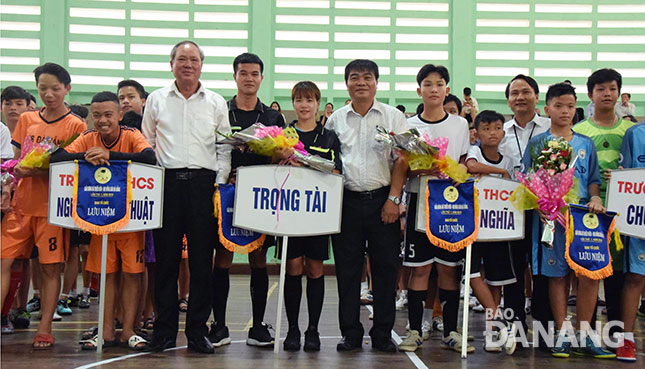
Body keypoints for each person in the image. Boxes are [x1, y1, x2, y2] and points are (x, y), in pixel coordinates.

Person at [142, 40, 232, 354]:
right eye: (182, 59)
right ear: (172, 64)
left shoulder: (216, 102)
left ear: (201, 65)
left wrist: (217, 186)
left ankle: (197, 332)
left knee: (200, 263)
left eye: (194, 59)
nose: (188, 65)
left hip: (203, 186)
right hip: (167, 184)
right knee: (165, 262)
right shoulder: (156, 100)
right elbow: (148, 143)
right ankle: (164, 332)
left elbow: (224, 147)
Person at [51, 91, 156, 350]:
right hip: (100, 221)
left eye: (108, 115)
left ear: (120, 115)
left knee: (132, 275)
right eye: (96, 115)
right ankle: (106, 330)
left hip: (132, 222)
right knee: (107, 276)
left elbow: (149, 158)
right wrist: (85, 157)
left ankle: (128, 330)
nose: (102, 120)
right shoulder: (88, 137)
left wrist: (112, 157)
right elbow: (56, 158)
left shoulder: (132, 135)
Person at [523, 82, 614, 359]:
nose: (565, 111)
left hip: (584, 220)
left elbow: (594, 181)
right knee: (557, 275)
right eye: (559, 106)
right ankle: (562, 335)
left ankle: (586, 335)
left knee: (588, 275)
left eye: (570, 106)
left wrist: (596, 199)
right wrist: (538, 204)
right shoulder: (538, 142)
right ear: (546, 109)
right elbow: (527, 180)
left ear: (577, 109)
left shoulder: (585, 143)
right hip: (552, 219)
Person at [1, 63, 86, 349]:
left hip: (53, 209)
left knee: (50, 270)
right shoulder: (26, 119)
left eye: (55, 89)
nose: (48, 94)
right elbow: (14, 160)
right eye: (42, 89)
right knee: (3, 261)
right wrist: (10, 180)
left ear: (67, 89)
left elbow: (74, 169)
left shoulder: (76, 125)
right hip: (21, 206)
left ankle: (45, 327)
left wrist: (36, 171)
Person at [326, 59, 407, 353]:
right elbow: (329, 161)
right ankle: (350, 333)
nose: (361, 82)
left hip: (382, 201)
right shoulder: (335, 119)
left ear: (376, 82)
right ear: (347, 83)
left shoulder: (393, 117)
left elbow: (403, 159)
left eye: (367, 77)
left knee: (385, 270)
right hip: (345, 203)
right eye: (355, 77)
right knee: (347, 271)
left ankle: (383, 333)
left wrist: (393, 199)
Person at [209, 52, 285, 349]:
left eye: (255, 73)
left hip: (260, 196)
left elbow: (281, 156)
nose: (249, 78)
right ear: (235, 77)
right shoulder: (221, 111)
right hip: (225, 195)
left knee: (258, 258)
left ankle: (258, 327)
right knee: (223, 258)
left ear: (261, 78)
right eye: (243, 73)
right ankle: (220, 325)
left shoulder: (272, 117)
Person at [397, 64, 472, 353]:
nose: (433, 89)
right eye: (427, 84)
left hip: (451, 204)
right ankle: (415, 329)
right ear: (419, 90)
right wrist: (423, 168)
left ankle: (451, 331)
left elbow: (464, 162)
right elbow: (403, 167)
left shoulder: (460, 125)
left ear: (447, 90)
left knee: (448, 270)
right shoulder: (409, 126)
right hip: (419, 202)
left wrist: (456, 171)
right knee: (420, 269)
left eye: (439, 84)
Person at [572, 69, 635, 341]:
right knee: (590, 272)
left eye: (612, 88)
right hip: (589, 212)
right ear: (590, 95)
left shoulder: (630, 131)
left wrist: (625, 176)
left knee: (619, 274)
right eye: (601, 89)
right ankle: (587, 334)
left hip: (624, 212)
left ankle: (618, 335)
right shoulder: (579, 131)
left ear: (619, 94)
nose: (607, 94)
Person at [280, 81, 342, 352]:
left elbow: (338, 173)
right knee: (293, 267)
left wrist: (309, 164)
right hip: (289, 214)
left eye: (309, 100)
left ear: (318, 104)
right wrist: (278, 157)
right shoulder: (283, 135)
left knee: (315, 268)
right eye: (299, 100)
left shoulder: (329, 137)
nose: (304, 105)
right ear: (293, 104)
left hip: (317, 214)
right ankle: (293, 329)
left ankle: (313, 330)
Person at [498, 74, 551, 347]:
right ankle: (515, 328)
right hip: (510, 210)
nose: (520, 97)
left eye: (526, 92)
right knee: (514, 269)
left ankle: (544, 329)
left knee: (542, 268)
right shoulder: (500, 131)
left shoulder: (550, 128)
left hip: (544, 208)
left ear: (536, 96)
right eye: (515, 93)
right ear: (508, 100)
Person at [466, 110, 519, 353]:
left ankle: (492, 331)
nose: (492, 133)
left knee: (496, 280)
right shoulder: (475, 151)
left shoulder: (508, 158)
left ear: (503, 131)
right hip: (475, 227)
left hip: (498, 227)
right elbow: (472, 166)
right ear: (477, 133)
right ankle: (499, 319)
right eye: (486, 129)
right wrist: (501, 173)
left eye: (497, 128)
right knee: (471, 274)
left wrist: (505, 173)